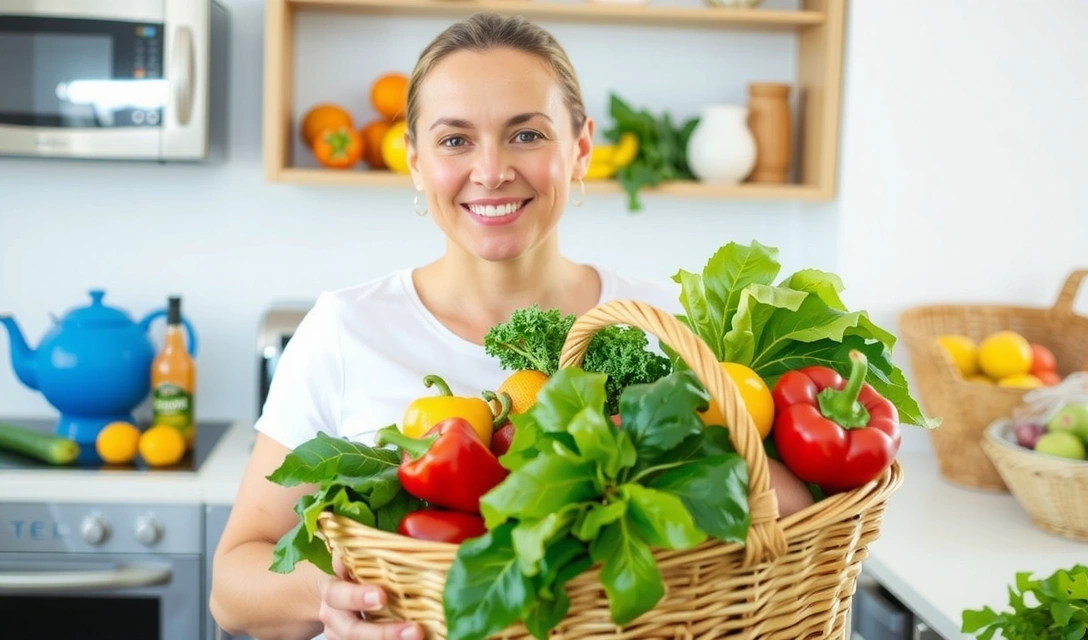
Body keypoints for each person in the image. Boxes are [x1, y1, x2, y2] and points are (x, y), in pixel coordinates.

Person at [210, 12, 811, 640]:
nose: (492, 170)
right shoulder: (346, 329)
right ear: (414, 161)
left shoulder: (666, 324)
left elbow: (792, 521)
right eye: (455, 140)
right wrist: (323, 594)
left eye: (526, 135)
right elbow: (231, 588)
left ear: (580, 149)